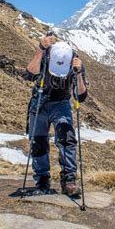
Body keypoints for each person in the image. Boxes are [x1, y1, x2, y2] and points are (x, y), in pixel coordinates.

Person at [25, 34, 88, 196]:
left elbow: (80, 96)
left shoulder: (75, 63)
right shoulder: (45, 55)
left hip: (61, 103)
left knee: (66, 139)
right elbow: (30, 74)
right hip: (39, 100)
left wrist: (79, 73)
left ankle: (69, 180)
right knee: (38, 141)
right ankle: (42, 181)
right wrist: (40, 49)